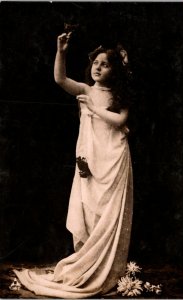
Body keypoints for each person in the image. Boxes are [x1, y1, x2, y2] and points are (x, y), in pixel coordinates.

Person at [13, 31, 133, 298]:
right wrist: (61, 51)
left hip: (113, 158)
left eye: (105, 64)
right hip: (90, 159)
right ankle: (87, 266)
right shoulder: (86, 89)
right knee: (88, 212)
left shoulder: (116, 95)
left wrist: (92, 107)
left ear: (115, 69)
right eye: (96, 63)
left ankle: (105, 269)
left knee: (108, 214)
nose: (98, 67)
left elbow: (119, 121)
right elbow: (60, 79)